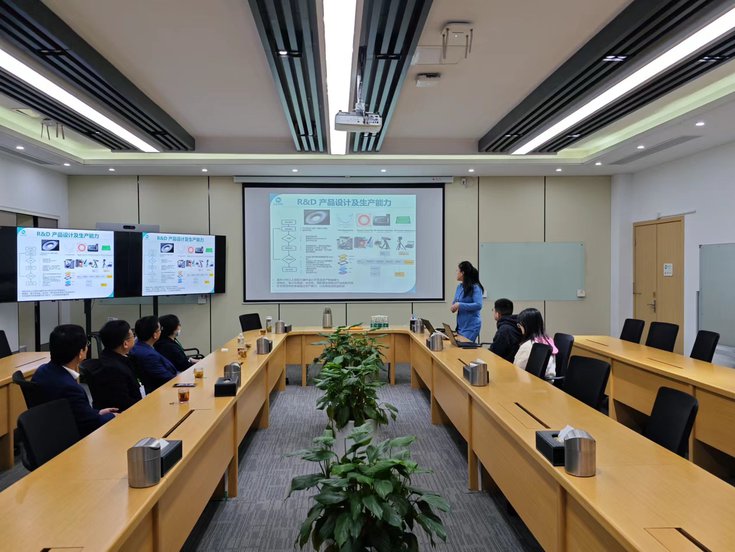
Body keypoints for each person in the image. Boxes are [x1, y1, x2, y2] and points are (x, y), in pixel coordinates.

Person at [31, 324, 117, 436]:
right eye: (87, 344)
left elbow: (78, 412)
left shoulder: (41, 371)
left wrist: (98, 413)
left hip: (49, 432)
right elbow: (90, 424)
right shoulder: (70, 389)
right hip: (70, 438)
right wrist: (112, 416)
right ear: (80, 353)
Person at [84, 320, 142, 411]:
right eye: (133, 336)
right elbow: (125, 403)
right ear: (125, 344)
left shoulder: (108, 355)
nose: (134, 338)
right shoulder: (114, 370)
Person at [130, 316, 177, 393]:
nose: (161, 331)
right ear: (154, 335)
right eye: (160, 329)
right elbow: (167, 378)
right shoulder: (149, 355)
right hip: (160, 391)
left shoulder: (138, 346)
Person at [513, 308, 558, 378]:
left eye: (520, 325)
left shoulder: (528, 346)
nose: (519, 328)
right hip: (548, 381)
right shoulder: (548, 340)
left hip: (531, 381)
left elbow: (517, 369)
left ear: (526, 326)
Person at [450, 260, 484, 342]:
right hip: (460, 325)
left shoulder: (475, 287)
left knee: (464, 347)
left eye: (458, 270)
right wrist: (453, 307)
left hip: (471, 326)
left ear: (462, 273)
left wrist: (459, 305)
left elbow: (478, 305)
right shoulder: (459, 287)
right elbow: (455, 302)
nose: (456, 272)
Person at [488, 298, 522, 362]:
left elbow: (495, 353)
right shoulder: (516, 324)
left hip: (505, 364)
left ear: (497, 314)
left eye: (493, 310)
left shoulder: (504, 330)